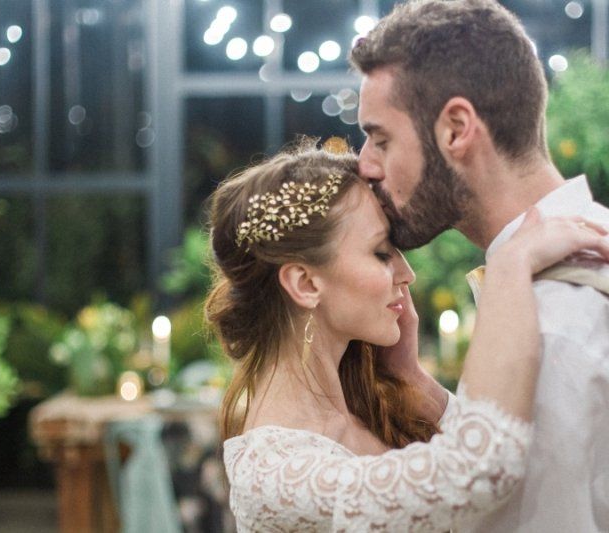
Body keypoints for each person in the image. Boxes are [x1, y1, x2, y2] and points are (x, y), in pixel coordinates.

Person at [206, 141, 609, 531]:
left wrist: (411, 378)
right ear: (306, 283)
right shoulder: (274, 474)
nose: (407, 274)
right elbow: (474, 471)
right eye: (382, 253)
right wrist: (508, 267)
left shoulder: (373, 405)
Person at [350, 0, 609, 530]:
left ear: (456, 129)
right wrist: (416, 386)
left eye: (381, 139)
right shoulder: (576, 255)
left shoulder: (549, 326)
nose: (365, 164)